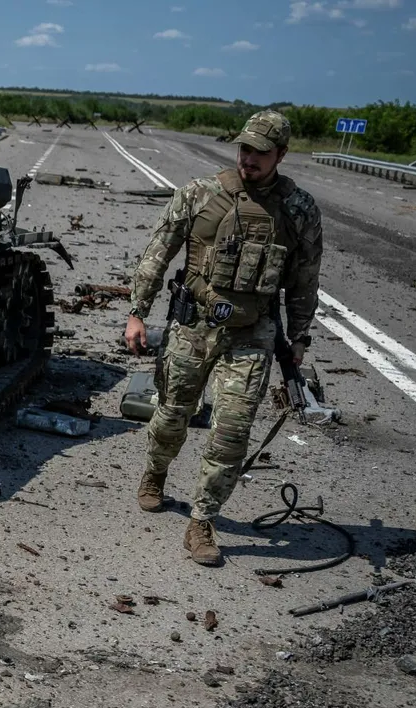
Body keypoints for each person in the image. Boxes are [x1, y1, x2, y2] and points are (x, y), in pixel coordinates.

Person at [122, 110, 323, 566]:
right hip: (193, 327)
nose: (249, 159)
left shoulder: (298, 209)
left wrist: (299, 337)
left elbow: (305, 278)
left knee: (232, 432)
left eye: (260, 152)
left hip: (252, 333)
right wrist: (137, 313)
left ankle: (202, 521)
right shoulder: (200, 193)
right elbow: (159, 251)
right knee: (173, 414)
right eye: (244, 149)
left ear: (282, 155)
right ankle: (155, 474)